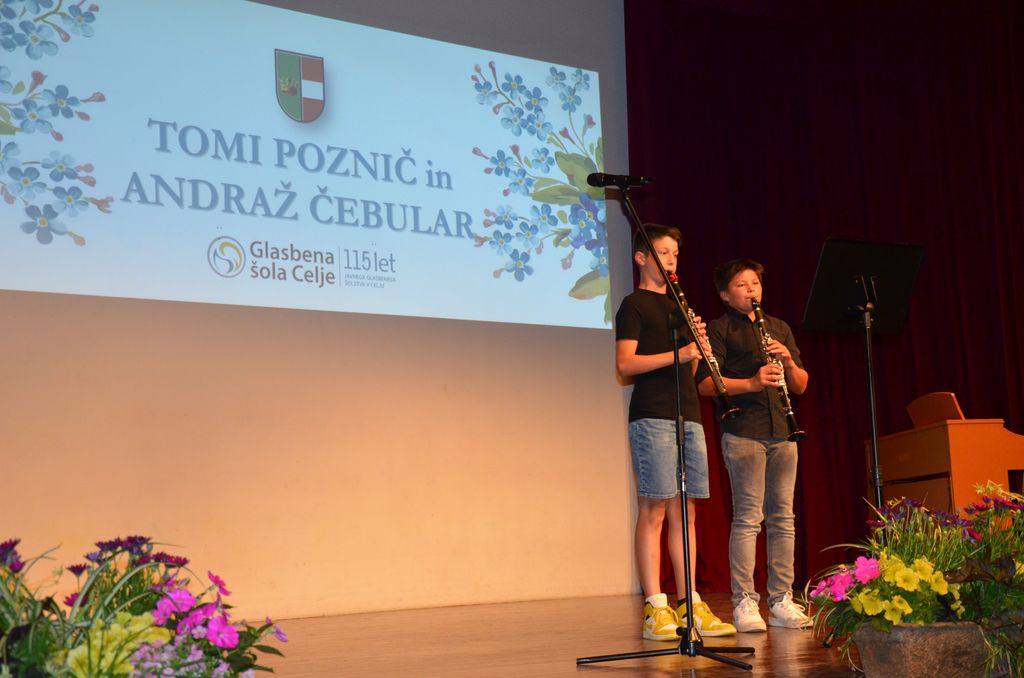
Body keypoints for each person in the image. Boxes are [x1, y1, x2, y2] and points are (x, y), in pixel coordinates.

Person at [614, 224, 736, 641]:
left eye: (675, 254)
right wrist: (679, 352)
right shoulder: (633, 305)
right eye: (663, 252)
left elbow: (690, 368)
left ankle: (689, 602)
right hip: (652, 415)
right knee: (653, 509)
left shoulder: (680, 308)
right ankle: (655, 606)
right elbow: (625, 364)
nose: (670, 260)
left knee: (686, 511)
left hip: (689, 415)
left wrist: (698, 351)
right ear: (641, 257)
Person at [696, 258, 811, 632]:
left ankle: (781, 600)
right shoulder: (720, 328)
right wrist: (752, 382)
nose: (751, 290)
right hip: (744, 431)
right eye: (742, 285)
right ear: (725, 295)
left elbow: (800, 385)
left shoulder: (778, 328)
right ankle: (745, 601)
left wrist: (788, 361)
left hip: (784, 432)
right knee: (748, 518)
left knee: (783, 519)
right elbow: (706, 384)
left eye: (755, 284)